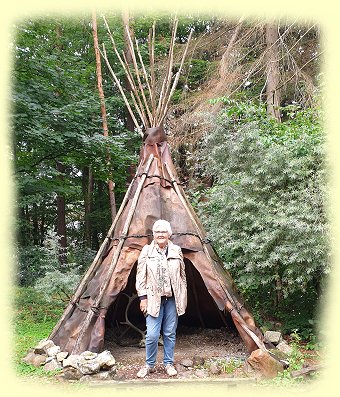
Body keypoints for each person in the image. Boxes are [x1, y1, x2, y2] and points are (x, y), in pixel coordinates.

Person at [135, 219, 187, 378]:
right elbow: (140, 276)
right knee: (152, 334)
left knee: (170, 333)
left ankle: (168, 363)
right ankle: (149, 365)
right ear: (153, 234)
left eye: (163, 232)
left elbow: (182, 275)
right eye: (157, 232)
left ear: (169, 234)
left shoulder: (176, 250)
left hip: (172, 299)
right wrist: (143, 298)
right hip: (153, 299)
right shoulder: (147, 251)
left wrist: (182, 295)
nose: (160, 235)